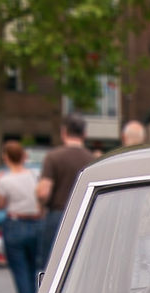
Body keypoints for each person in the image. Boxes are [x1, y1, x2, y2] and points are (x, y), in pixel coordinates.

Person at [0, 140, 41, 293]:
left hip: (15, 222)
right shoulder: (35, 175)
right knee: (36, 265)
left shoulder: (5, 180)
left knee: (19, 267)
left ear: (5, 157)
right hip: (36, 222)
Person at [36, 113, 95, 271]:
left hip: (58, 215)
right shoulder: (93, 160)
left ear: (64, 132)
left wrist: (41, 205)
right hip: (87, 215)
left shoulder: (53, 157)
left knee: (51, 266)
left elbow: (43, 192)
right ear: (84, 134)